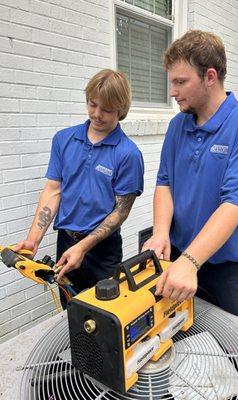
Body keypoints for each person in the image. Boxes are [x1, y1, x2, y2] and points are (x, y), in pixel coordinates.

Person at [143, 30, 238, 326]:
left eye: (180, 82)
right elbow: (165, 183)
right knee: (181, 338)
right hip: (179, 258)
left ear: (210, 76)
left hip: (230, 272)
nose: (172, 92)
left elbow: (235, 203)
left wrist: (191, 261)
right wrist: (161, 232)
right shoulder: (178, 126)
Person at [14, 69, 144, 308]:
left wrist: (83, 247)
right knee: (71, 311)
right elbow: (53, 190)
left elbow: (121, 211)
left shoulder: (128, 154)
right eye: (92, 104)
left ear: (121, 109)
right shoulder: (63, 139)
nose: (96, 114)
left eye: (106, 109)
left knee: (106, 315)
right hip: (66, 242)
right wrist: (33, 240)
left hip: (102, 251)